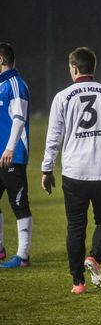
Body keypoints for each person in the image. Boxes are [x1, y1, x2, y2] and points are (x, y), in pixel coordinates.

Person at [41, 47, 101, 295]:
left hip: (74, 172)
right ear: (93, 68)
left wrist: (47, 169)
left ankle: (78, 282)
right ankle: (94, 257)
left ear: (74, 68)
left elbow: (53, 137)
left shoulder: (62, 97)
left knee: (75, 227)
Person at [0, 43, 33, 269]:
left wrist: (10, 148)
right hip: (0, 154)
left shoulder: (15, 84)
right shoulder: (2, 85)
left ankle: (22, 256)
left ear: (1, 59)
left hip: (12, 155)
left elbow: (19, 119)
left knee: (19, 204)